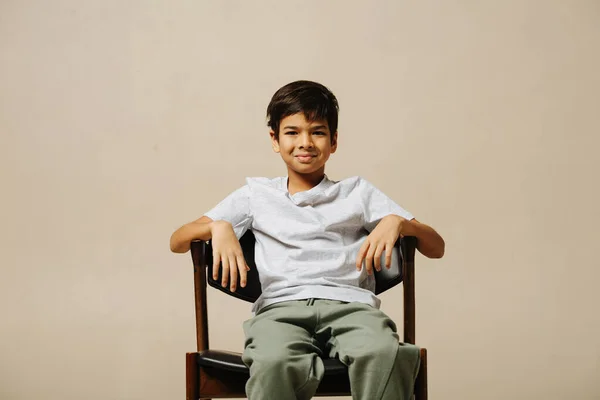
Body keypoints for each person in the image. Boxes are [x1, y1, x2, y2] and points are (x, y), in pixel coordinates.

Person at [170, 80, 445, 399]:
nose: (306, 142)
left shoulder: (357, 192)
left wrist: (398, 222)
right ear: (274, 139)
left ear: (334, 141)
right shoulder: (256, 195)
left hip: (352, 308)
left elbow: (435, 247)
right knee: (275, 361)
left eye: (317, 132)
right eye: (292, 132)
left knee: (385, 353)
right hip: (281, 309)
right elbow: (178, 239)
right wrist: (217, 226)